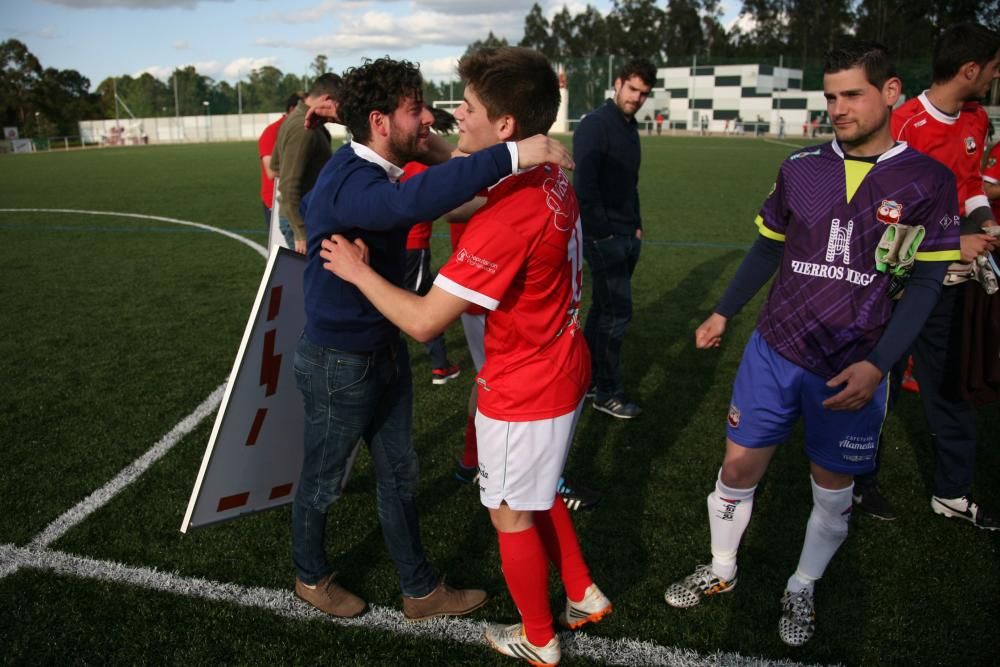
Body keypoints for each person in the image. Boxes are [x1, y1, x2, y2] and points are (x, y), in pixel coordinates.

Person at [663, 40, 961, 647]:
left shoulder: (929, 181)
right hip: (774, 349)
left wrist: (879, 365)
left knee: (833, 491)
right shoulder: (800, 167)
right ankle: (722, 569)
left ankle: (802, 585)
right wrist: (724, 311)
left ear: (891, 91)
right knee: (736, 468)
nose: (838, 108)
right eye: (830, 96)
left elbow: (928, 280)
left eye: (852, 94)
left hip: (852, 367)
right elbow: (769, 244)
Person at [319, 47, 611, 667]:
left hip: (524, 380)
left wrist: (356, 272)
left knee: (509, 515)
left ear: (506, 128)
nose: (452, 115)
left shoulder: (507, 215)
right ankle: (582, 592)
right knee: (536, 492)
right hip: (561, 357)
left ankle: (538, 638)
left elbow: (425, 319)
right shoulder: (547, 172)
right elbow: (462, 177)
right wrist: (441, 155)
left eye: (468, 107)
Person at [852, 22, 1000, 527]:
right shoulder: (905, 125)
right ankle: (856, 482)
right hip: (895, 285)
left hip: (951, 285)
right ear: (971, 69)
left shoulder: (978, 120)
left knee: (951, 387)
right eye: (995, 68)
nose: (996, 79)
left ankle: (953, 492)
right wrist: (951, 242)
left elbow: (971, 186)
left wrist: (985, 221)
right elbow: (879, 222)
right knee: (876, 386)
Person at [573, 58, 656, 418]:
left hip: (626, 233)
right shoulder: (595, 124)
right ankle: (607, 391)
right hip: (603, 236)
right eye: (632, 89)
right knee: (617, 314)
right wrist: (604, 232)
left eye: (644, 93)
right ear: (618, 83)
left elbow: (630, 184)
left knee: (604, 310)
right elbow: (585, 188)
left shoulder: (629, 126)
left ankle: (588, 379)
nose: (637, 98)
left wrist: (636, 224)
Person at [402, 108, 461, 386]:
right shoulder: (426, 163)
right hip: (413, 243)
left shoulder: (400, 157)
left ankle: (440, 364)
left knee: (415, 297)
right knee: (416, 303)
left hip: (402, 241)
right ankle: (439, 365)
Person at [271, 73, 341, 254]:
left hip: (303, 217)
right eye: (339, 104)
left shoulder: (298, 120)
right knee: (309, 281)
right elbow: (288, 185)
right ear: (327, 99)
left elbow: (275, 166)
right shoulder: (304, 128)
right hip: (303, 220)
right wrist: (301, 232)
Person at [258, 93, 302, 247]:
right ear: (292, 109)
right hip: (276, 201)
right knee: (284, 254)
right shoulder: (273, 131)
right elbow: (271, 171)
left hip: (298, 199)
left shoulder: (305, 129)